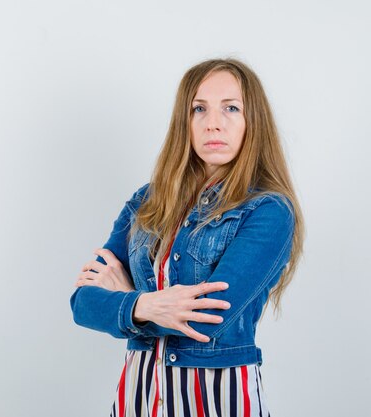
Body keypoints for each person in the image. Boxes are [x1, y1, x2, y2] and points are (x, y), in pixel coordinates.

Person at [70, 58, 304, 417]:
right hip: (139, 399)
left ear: (252, 121)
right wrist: (146, 305)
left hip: (217, 401)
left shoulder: (268, 211)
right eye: (199, 108)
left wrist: (126, 301)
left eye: (231, 108)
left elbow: (204, 320)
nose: (213, 123)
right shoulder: (147, 201)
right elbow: (83, 303)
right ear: (185, 121)